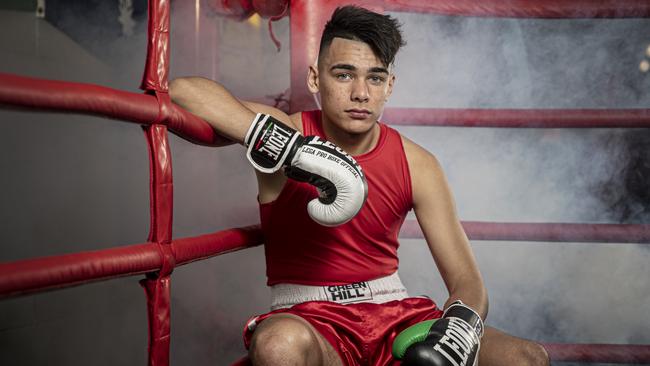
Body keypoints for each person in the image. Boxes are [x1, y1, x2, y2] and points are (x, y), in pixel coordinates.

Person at [170, 6, 550, 366]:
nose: (361, 94)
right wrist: (289, 151)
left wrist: (458, 331)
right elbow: (184, 91)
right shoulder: (288, 130)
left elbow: (468, 282)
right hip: (311, 319)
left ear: (390, 86)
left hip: (397, 315)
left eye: (375, 78)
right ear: (315, 78)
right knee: (278, 344)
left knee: (527, 357)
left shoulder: (418, 163)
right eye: (344, 74)